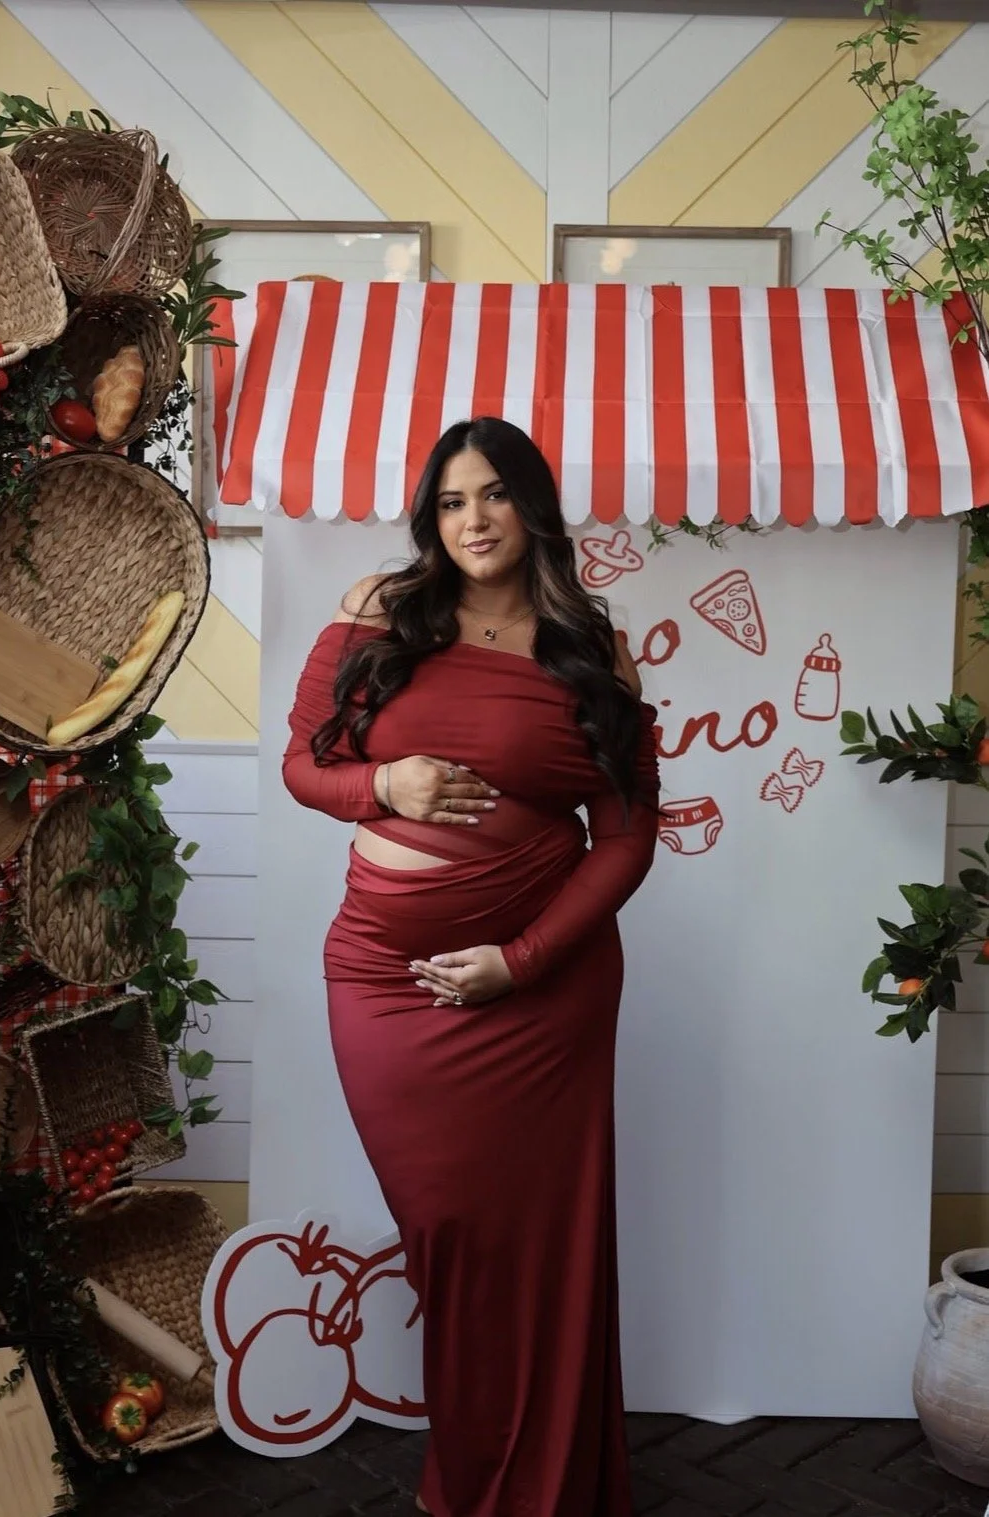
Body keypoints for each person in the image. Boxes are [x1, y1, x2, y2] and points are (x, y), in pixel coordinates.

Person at [282, 416, 660, 1517]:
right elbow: (306, 762)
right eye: (451, 500)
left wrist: (523, 960)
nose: (474, 519)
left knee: (535, 1255)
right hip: (383, 987)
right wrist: (380, 787)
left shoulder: (592, 647)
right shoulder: (379, 612)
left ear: (531, 505)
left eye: (493, 495)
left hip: (543, 997)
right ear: (429, 516)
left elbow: (629, 835)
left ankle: (511, 1492)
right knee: (448, 1240)